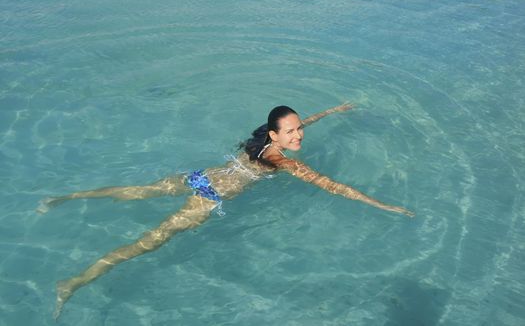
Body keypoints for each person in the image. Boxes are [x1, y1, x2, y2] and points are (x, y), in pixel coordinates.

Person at [40, 103, 414, 319]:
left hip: (200, 177)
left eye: (301, 128)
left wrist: (330, 112)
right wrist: (381, 203)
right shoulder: (281, 162)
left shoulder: (259, 138)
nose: (299, 135)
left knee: (131, 192)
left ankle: (65, 198)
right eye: (293, 132)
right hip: (209, 198)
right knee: (146, 243)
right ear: (275, 136)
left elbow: (294, 126)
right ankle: (70, 284)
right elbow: (330, 185)